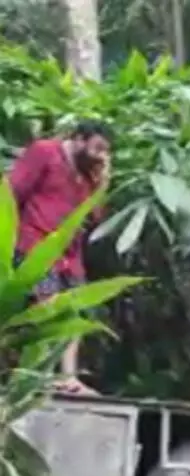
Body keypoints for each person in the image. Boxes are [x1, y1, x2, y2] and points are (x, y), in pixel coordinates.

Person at [8, 120, 113, 395]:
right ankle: (40, 376)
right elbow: (12, 191)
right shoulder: (45, 152)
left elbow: (95, 217)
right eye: (97, 148)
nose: (100, 156)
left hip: (70, 254)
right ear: (78, 139)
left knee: (74, 309)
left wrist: (102, 180)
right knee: (47, 307)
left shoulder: (87, 172)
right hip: (36, 245)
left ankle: (69, 376)